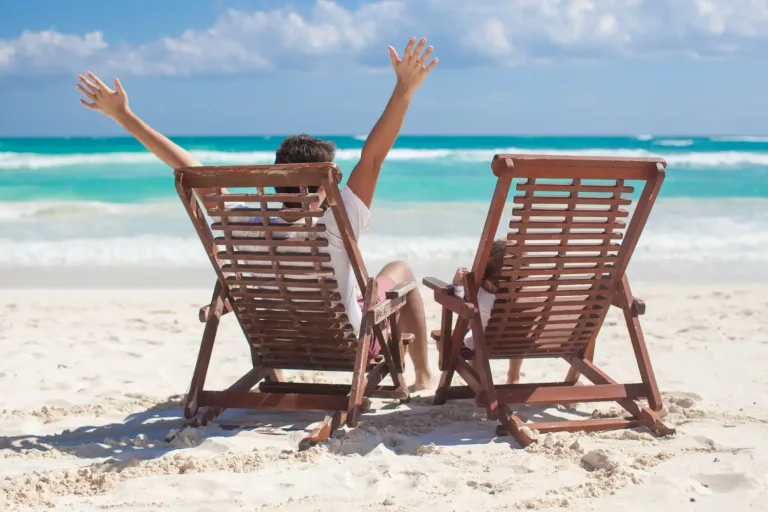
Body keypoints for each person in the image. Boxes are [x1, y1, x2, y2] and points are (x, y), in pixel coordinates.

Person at [76, 37, 438, 391]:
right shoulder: (334, 224)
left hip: (278, 340)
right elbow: (372, 158)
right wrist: (404, 89)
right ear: (323, 184)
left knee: (296, 295)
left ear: (279, 178)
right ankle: (423, 377)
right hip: (345, 345)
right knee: (399, 271)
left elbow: (186, 165)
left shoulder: (242, 222)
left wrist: (123, 116)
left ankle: (277, 377)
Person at [451, 239, 522, 385]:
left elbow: (460, 302)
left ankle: (477, 379)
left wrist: (457, 284)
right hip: (519, 342)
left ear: (488, 282)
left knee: (471, 335)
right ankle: (514, 377)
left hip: (484, 342)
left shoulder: (479, 294)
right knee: (518, 329)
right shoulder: (525, 295)